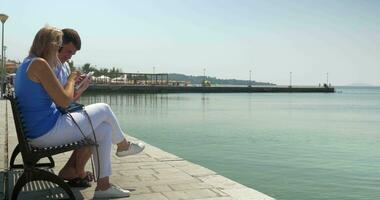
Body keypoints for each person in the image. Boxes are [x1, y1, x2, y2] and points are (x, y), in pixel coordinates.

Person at [15, 26, 144, 198]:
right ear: (51, 45)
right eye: (59, 46)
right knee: (104, 109)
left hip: (41, 129)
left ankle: (103, 187)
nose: (60, 52)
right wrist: (71, 79)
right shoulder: (39, 64)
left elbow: (61, 101)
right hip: (46, 132)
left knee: (104, 130)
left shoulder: (27, 63)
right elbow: (63, 101)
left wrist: (76, 86)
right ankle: (123, 145)